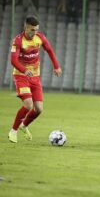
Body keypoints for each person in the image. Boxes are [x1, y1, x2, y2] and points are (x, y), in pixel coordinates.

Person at [8, 15, 62, 143]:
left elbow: (49, 50)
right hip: (21, 76)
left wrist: (56, 66)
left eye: (36, 29)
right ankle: (13, 131)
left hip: (35, 77)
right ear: (25, 27)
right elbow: (13, 60)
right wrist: (24, 70)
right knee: (28, 105)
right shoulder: (18, 41)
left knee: (38, 109)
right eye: (32, 30)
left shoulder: (40, 37)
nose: (35, 32)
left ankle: (24, 125)